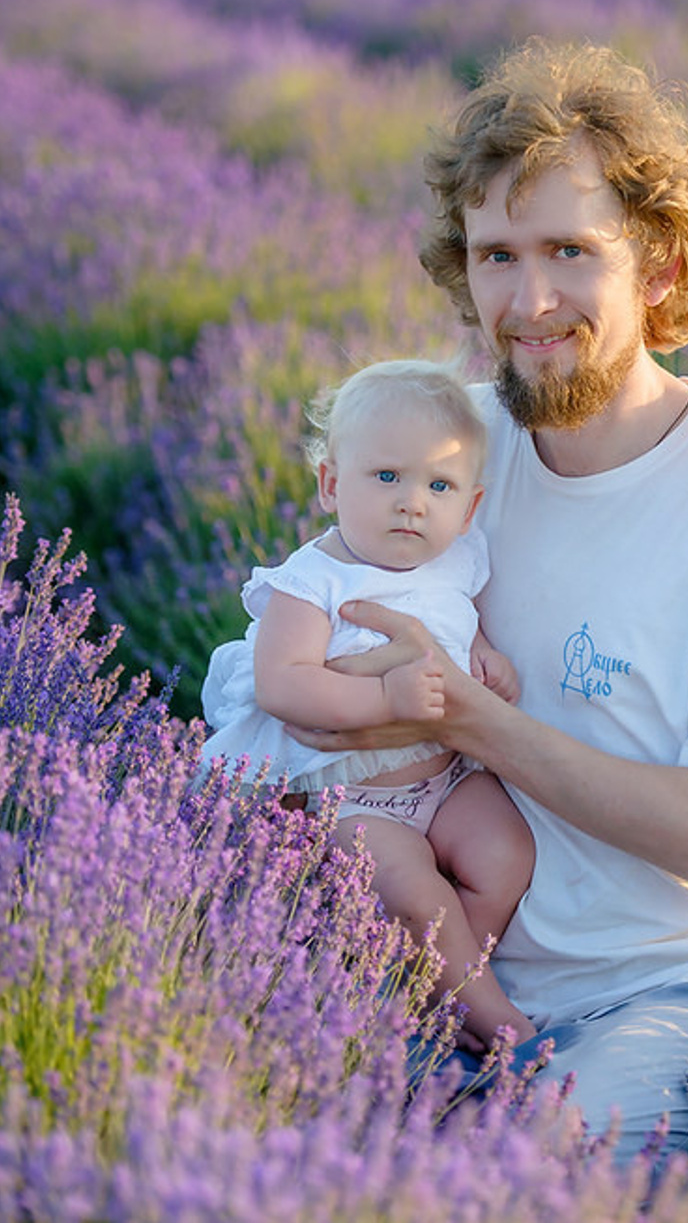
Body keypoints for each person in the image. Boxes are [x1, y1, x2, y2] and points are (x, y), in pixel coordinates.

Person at [290, 39, 688, 1163]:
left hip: (685, 989)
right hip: (448, 967)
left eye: (570, 249)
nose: (529, 298)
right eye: (496, 255)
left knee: (519, 1174)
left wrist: (463, 714)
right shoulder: (446, 446)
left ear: (655, 265)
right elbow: (314, 667)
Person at [200, 359, 536, 1051]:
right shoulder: (311, 580)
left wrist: (488, 659)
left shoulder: (457, 561)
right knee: (417, 892)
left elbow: (463, 623)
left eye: (439, 485)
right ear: (330, 483)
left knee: (506, 853)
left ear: (469, 507)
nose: (412, 501)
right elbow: (282, 682)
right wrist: (384, 694)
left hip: (445, 781)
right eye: (386, 477)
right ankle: (491, 1016)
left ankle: (438, 983)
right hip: (352, 801)